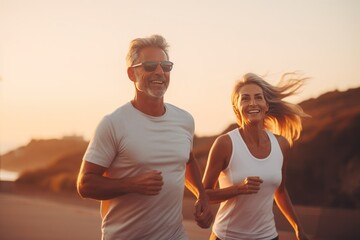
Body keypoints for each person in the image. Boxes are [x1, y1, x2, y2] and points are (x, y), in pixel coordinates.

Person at [77, 34, 213, 240]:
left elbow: (187, 159)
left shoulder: (184, 120)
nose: (159, 72)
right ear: (132, 74)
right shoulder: (114, 123)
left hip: (175, 235)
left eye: (165, 66)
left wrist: (201, 196)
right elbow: (85, 184)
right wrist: (131, 184)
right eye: (150, 66)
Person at [202, 73, 310, 240]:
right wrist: (238, 189)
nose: (252, 103)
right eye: (245, 99)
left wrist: (298, 228)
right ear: (236, 106)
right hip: (227, 236)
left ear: (266, 105)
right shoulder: (225, 144)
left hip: (268, 236)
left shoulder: (281, 145)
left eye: (258, 98)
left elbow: (280, 191)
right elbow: (205, 194)